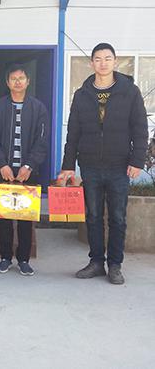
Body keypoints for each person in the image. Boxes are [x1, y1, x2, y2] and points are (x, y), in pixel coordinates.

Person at [59, 43, 148, 285]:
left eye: (108, 58)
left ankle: (115, 265)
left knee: (118, 217)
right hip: (90, 165)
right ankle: (97, 262)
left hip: (119, 165)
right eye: (98, 59)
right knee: (93, 216)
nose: (103, 63)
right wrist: (68, 165)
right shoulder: (82, 94)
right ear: (91, 63)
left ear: (115, 61)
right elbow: (73, 132)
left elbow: (140, 128)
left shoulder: (130, 91)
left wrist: (137, 160)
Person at [0, 64, 48, 276]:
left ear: (28, 81)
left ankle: (23, 259)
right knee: (4, 217)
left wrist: (29, 165)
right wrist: (2, 164)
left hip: (27, 172)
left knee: (25, 218)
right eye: (13, 78)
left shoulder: (38, 108)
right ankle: (5, 257)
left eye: (21, 78)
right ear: (7, 82)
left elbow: (42, 140)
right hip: (4, 170)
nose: (18, 82)